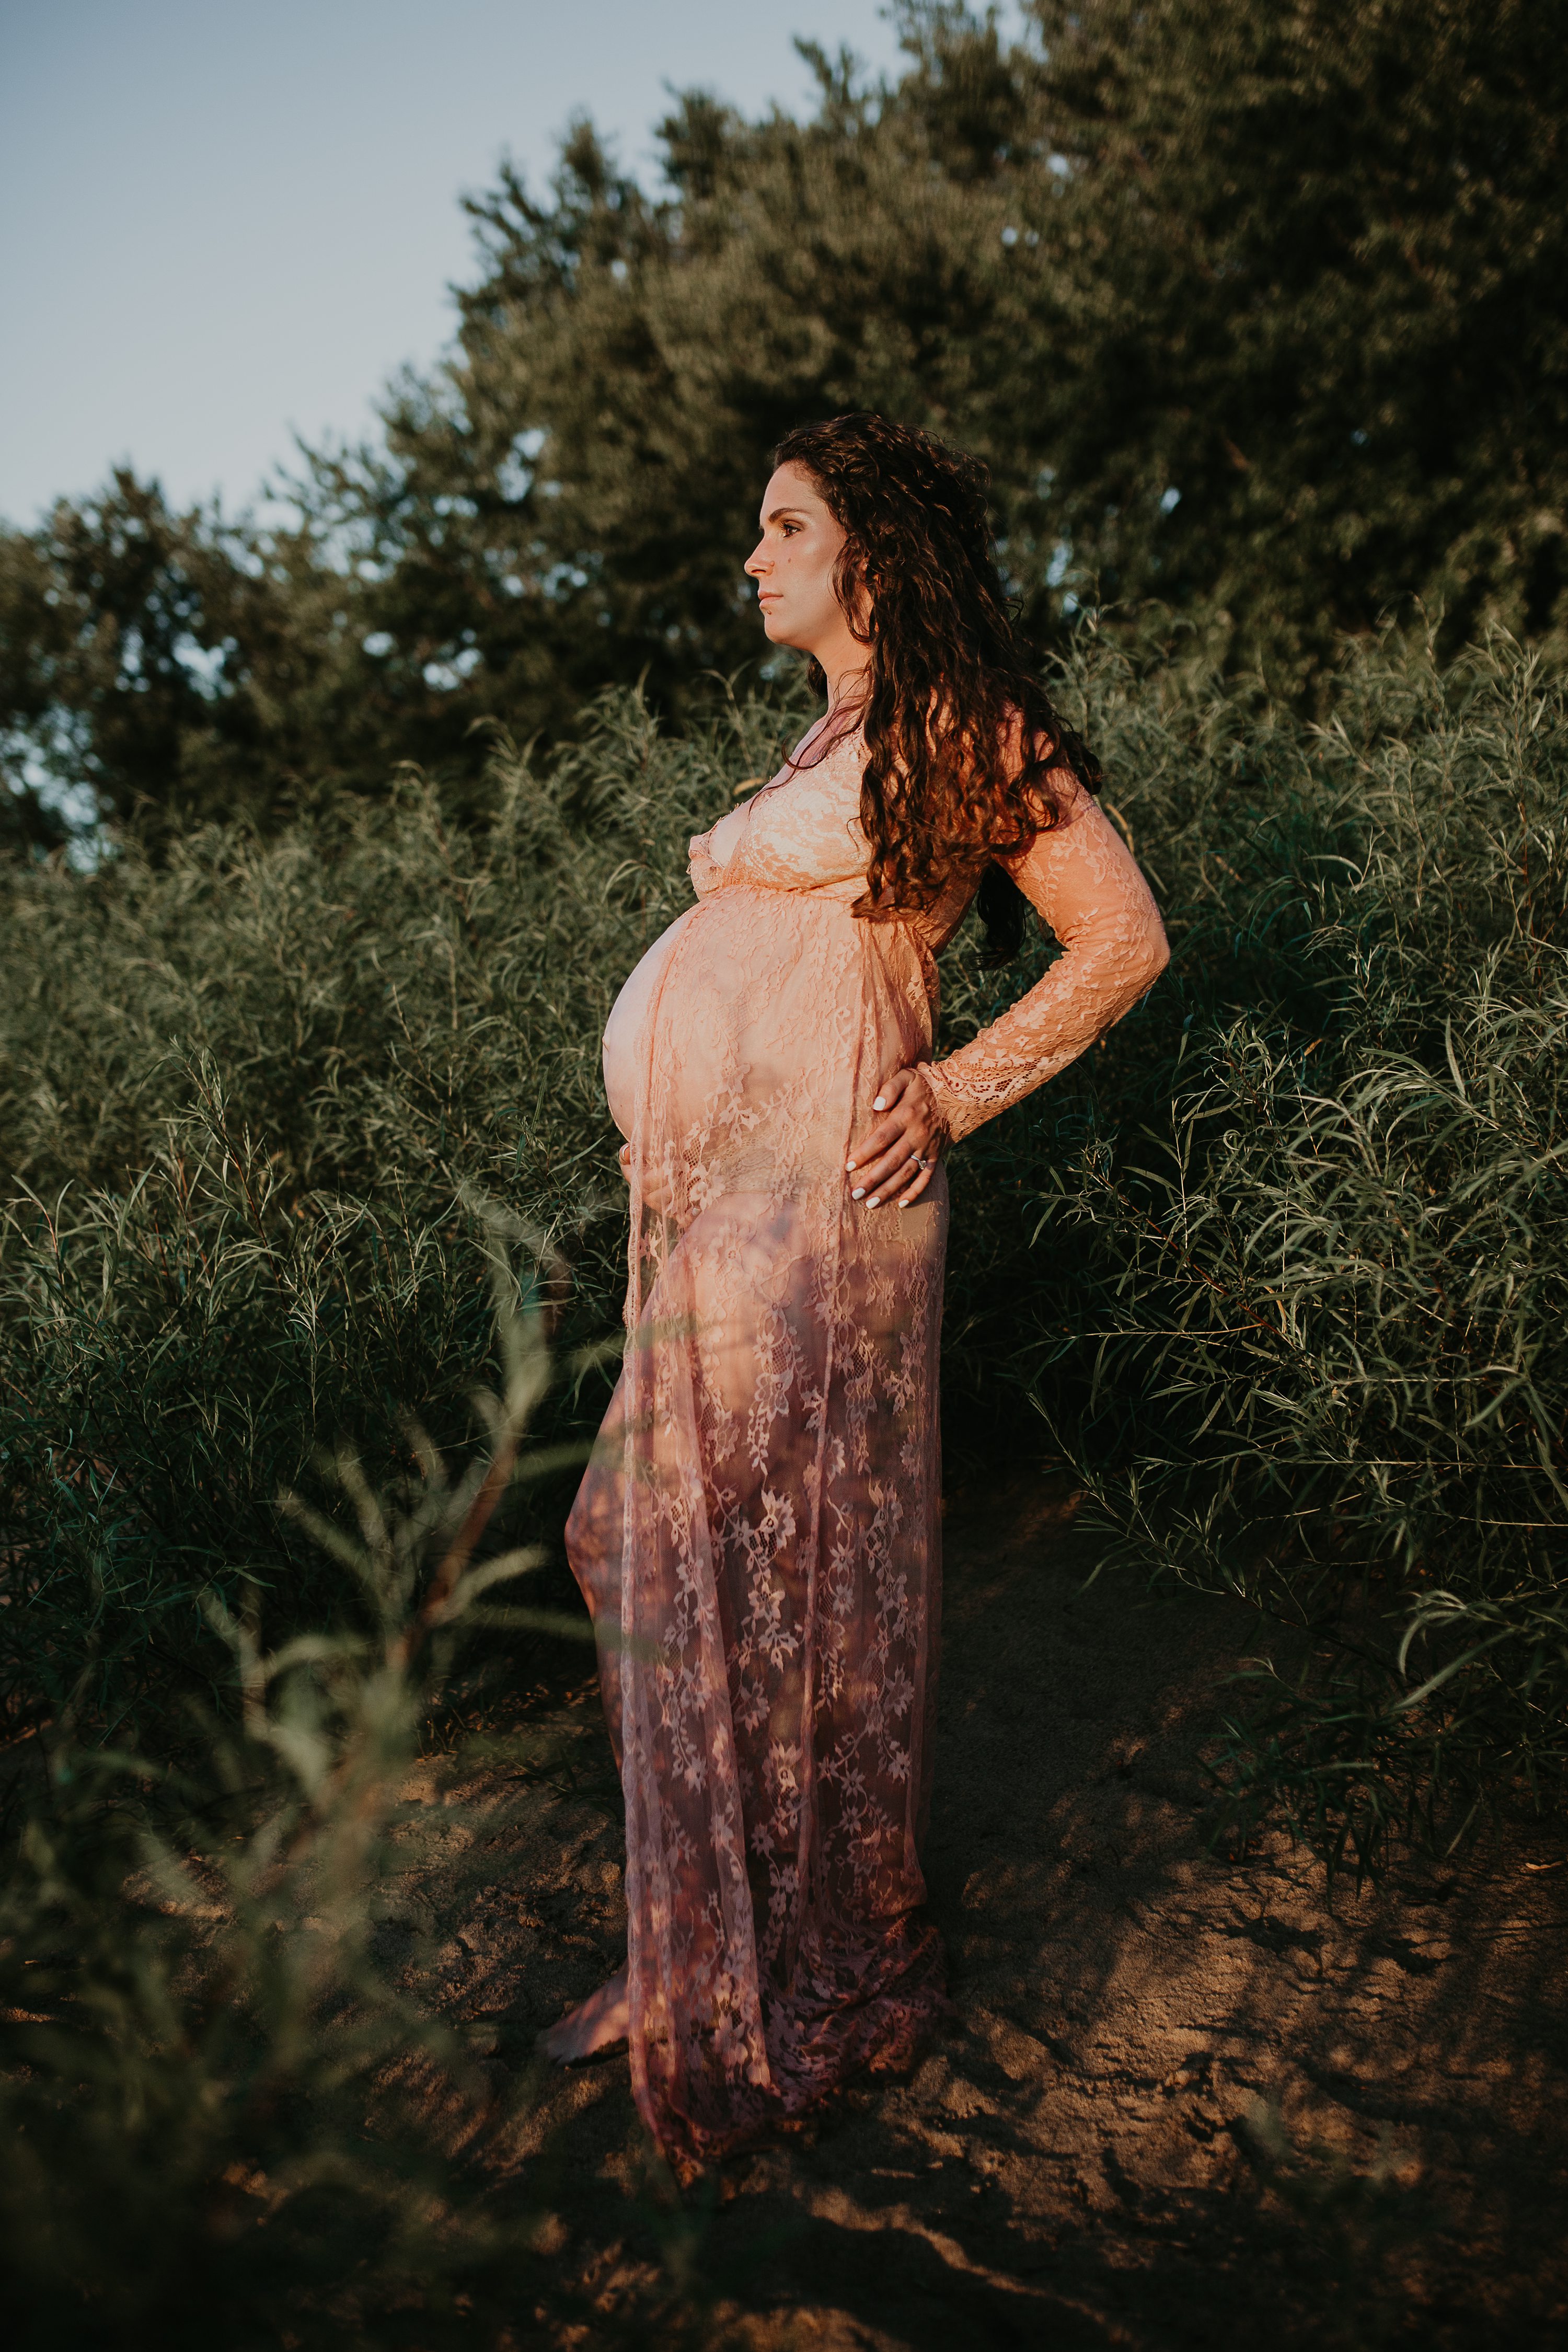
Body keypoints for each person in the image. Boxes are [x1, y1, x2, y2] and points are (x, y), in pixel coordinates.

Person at [542, 413, 1169, 2167]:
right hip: (718, 1206)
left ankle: (822, 1948)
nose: (752, 557)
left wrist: (954, 1092)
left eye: (783, 526)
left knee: (714, 1551)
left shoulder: (969, 723)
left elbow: (1123, 936)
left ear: (870, 555)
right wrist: (664, 1117)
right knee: (658, 1547)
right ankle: (706, 1937)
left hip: (826, 1198)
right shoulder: (830, 737)